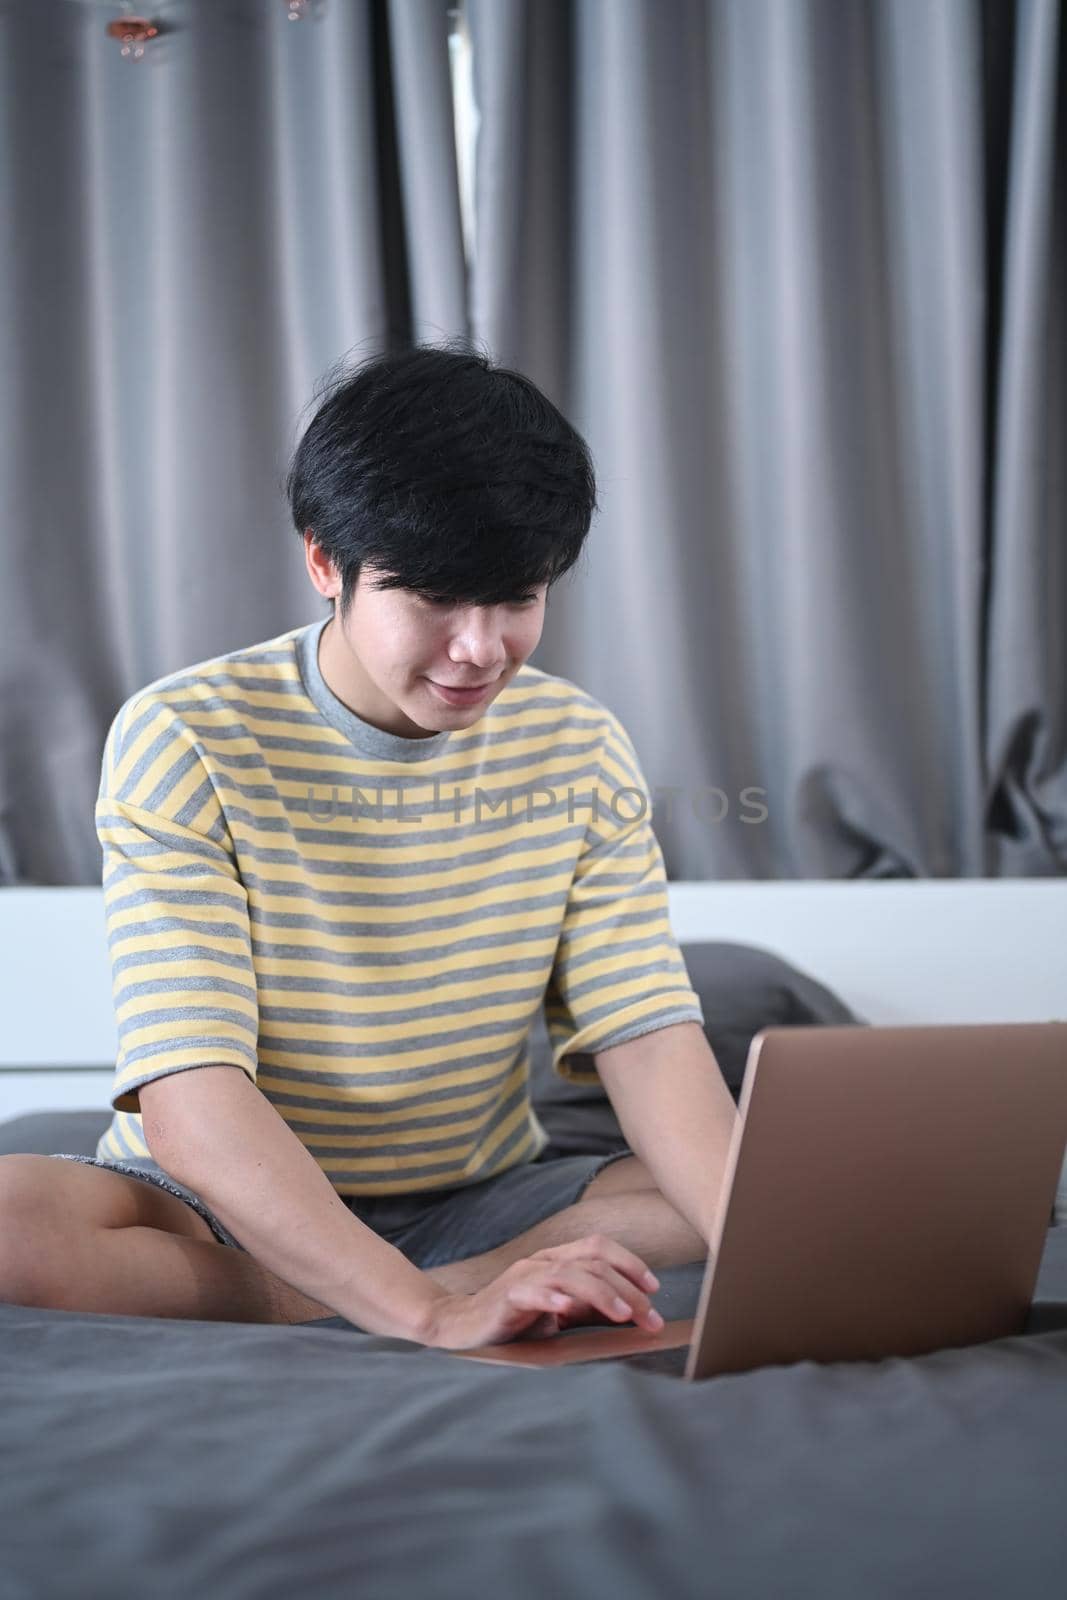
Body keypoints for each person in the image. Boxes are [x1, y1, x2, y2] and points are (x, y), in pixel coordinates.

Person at [0, 341, 739, 1349]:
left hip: (482, 1194)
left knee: (764, 1176)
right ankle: (374, 1285)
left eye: (516, 599)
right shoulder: (186, 737)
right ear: (323, 562)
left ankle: (404, 1274)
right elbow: (190, 1098)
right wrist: (430, 1308)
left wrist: (781, 1250)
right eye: (434, 597)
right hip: (218, 1204)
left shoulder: (577, 745)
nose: (480, 648)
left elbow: (647, 1042)